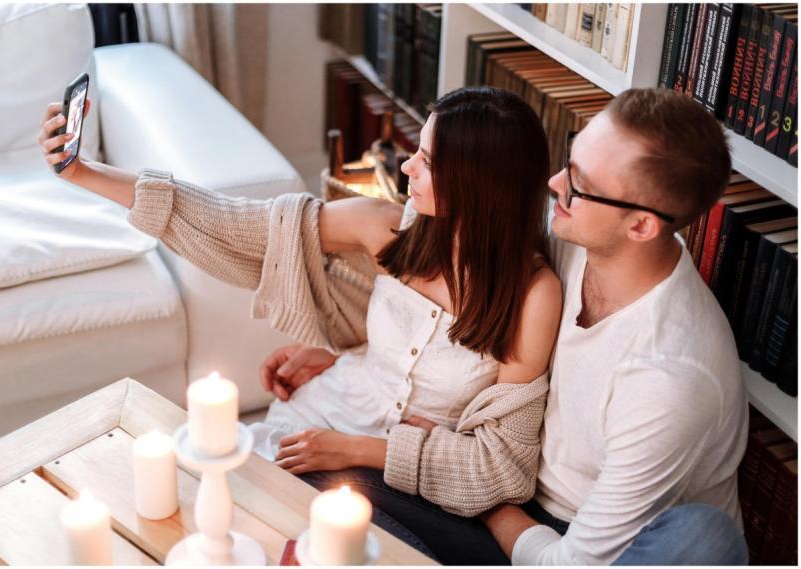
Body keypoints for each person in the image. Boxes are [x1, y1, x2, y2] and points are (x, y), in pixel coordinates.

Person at [37, 87, 562, 565]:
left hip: (397, 472)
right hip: (321, 419)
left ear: (479, 182)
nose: (407, 168)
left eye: (427, 160)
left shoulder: (532, 296)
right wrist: (84, 173)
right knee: (211, 518)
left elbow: (501, 467)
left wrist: (352, 449)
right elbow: (234, 224)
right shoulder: (387, 228)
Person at [260, 88, 750, 565]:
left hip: (568, 532)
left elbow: (571, 561)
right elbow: (456, 292)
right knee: (313, 484)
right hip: (498, 485)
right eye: (569, 159)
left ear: (641, 225)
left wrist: (486, 494)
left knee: (333, 492)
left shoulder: (668, 377)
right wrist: (364, 355)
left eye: (579, 183)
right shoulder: (577, 232)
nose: (556, 183)